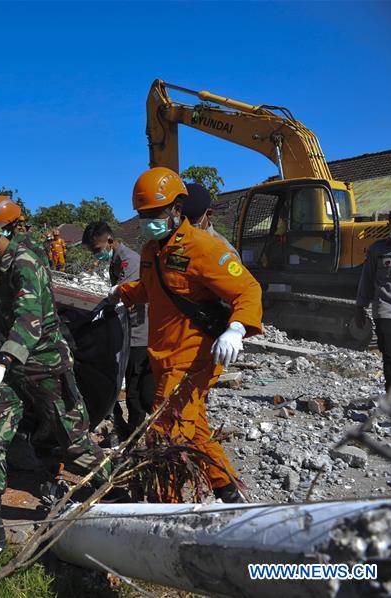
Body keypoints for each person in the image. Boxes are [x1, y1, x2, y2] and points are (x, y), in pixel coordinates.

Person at [0, 211, 109, 553]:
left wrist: (1, 364)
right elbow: (6, 305)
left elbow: (29, 319)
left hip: (46, 368)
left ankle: (122, 492)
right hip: (17, 372)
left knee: (74, 443)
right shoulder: (0, 266)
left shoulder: (25, 262)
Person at [104, 167, 263, 503]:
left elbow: (248, 289)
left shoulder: (203, 247)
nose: (147, 221)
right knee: (195, 430)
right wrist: (122, 293)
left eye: (154, 214)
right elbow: (151, 289)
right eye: (142, 215)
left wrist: (236, 328)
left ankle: (165, 510)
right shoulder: (152, 251)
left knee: (166, 437)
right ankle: (229, 493)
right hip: (163, 356)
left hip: (192, 361)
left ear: (177, 209)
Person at [82, 221, 154, 443]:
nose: (96, 254)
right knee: (118, 384)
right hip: (128, 331)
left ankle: (135, 437)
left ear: (110, 241)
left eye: (97, 249)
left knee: (134, 391)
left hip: (139, 333)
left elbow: (126, 296)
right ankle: (125, 429)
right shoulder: (115, 260)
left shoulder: (129, 261)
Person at [356, 207, 391, 392]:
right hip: (386, 310)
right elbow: (367, 279)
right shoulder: (377, 250)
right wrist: (360, 307)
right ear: (389, 226)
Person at [181, 182, 239, 258]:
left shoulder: (225, 252)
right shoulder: (176, 242)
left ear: (208, 214)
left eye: (191, 221)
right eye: (182, 220)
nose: (186, 225)